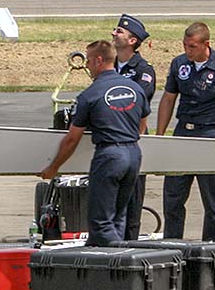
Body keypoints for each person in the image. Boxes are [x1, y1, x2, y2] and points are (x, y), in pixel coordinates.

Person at [40, 41, 149, 246]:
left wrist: (53, 167)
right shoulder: (134, 88)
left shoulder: (90, 95)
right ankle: (119, 258)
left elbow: (73, 138)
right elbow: (142, 123)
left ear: (99, 60)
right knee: (119, 216)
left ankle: (108, 261)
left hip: (109, 155)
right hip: (133, 154)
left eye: (89, 61)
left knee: (101, 222)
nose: (87, 66)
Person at [156, 22, 215, 242]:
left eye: (192, 47)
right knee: (173, 196)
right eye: (185, 46)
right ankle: (172, 246)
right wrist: (160, 136)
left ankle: (213, 248)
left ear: (205, 44)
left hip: (210, 136)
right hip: (182, 134)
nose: (188, 51)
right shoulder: (179, 64)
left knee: (214, 201)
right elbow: (168, 99)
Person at [111, 14, 156, 240]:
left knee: (132, 200)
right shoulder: (108, 66)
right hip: (110, 139)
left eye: (119, 31)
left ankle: (130, 244)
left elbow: (137, 99)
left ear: (132, 41)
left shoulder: (143, 70)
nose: (113, 33)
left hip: (133, 137)